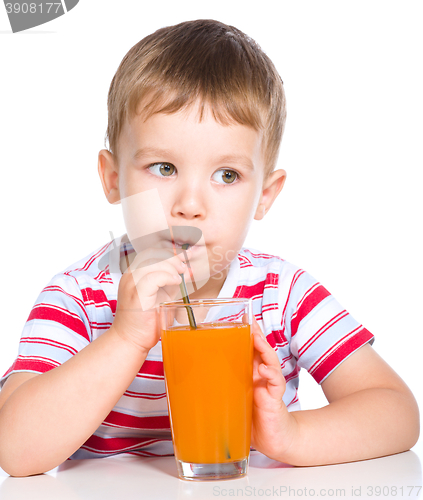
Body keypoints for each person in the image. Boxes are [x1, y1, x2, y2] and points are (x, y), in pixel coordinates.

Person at [0, 19, 419, 477]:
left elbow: (396, 412)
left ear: (265, 195)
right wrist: (125, 338)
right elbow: (14, 451)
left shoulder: (282, 294)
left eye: (227, 175)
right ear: (113, 178)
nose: (190, 206)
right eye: (163, 167)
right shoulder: (77, 298)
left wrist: (292, 436)